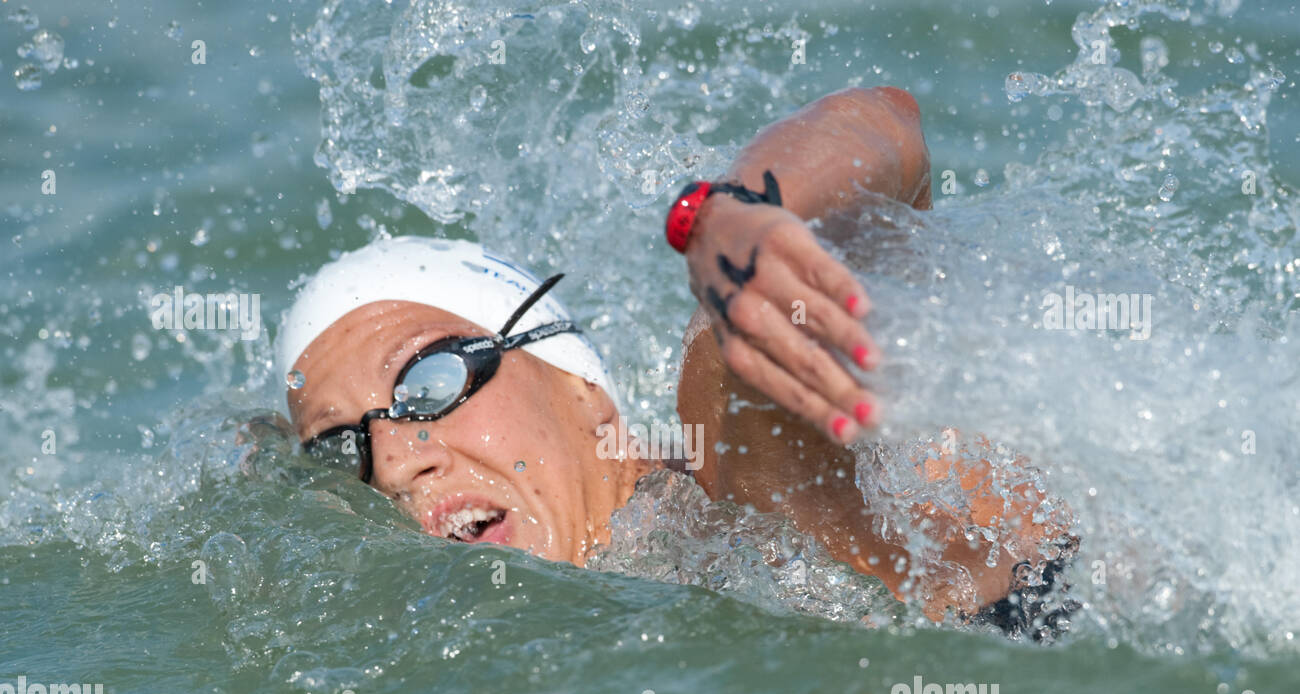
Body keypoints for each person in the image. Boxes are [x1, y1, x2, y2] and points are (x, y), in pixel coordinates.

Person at [278, 86, 1076, 635]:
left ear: (584, 391)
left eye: (428, 383)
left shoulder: (724, 472)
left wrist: (731, 218)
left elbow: (890, 125)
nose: (389, 459)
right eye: (343, 444)